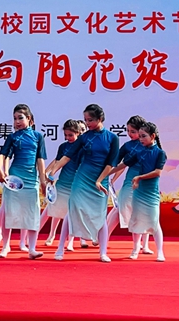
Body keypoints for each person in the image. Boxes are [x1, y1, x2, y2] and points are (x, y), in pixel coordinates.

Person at [50, 104, 119, 263]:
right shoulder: (85, 137)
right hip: (82, 178)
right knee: (72, 211)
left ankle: (102, 252)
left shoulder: (112, 138)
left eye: (90, 120)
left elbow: (111, 163)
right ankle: (60, 248)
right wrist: (53, 172)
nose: (87, 123)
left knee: (100, 215)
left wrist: (99, 180)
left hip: (101, 180)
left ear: (100, 119)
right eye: (86, 120)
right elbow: (67, 156)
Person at [111, 122, 167, 261]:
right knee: (136, 220)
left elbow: (157, 172)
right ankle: (135, 249)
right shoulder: (139, 152)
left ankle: (160, 252)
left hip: (151, 192)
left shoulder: (160, 153)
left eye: (143, 136)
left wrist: (139, 177)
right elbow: (123, 164)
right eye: (140, 136)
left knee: (154, 222)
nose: (140, 139)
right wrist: (105, 174)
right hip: (138, 191)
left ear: (152, 136)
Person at [0, 104, 46, 259]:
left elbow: (40, 160)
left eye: (20, 118)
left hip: (31, 179)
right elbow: (3, 155)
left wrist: (43, 181)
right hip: (15, 179)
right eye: (15, 118)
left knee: (32, 213)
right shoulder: (12, 137)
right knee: (9, 212)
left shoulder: (38, 136)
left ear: (29, 118)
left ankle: (32, 248)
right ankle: (5, 246)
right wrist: (0, 170)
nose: (17, 121)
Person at [106, 116, 152, 252]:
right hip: (130, 182)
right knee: (121, 208)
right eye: (128, 131)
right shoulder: (128, 146)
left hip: (146, 182)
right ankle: (104, 237)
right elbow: (117, 163)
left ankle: (145, 245)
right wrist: (110, 178)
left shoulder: (150, 145)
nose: (129, 134)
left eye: (133, 131)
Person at [40, 119, 84, 250]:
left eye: (70, 135)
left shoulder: (83, 148)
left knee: (72, 213)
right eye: (66, 135)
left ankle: (70, 241)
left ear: (78, 133)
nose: (68, 138)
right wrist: (49, 174)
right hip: (63, 183)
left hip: (76, 184)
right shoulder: (63, 147)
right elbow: (57, 162)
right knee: (55, 210)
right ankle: (50, 235)